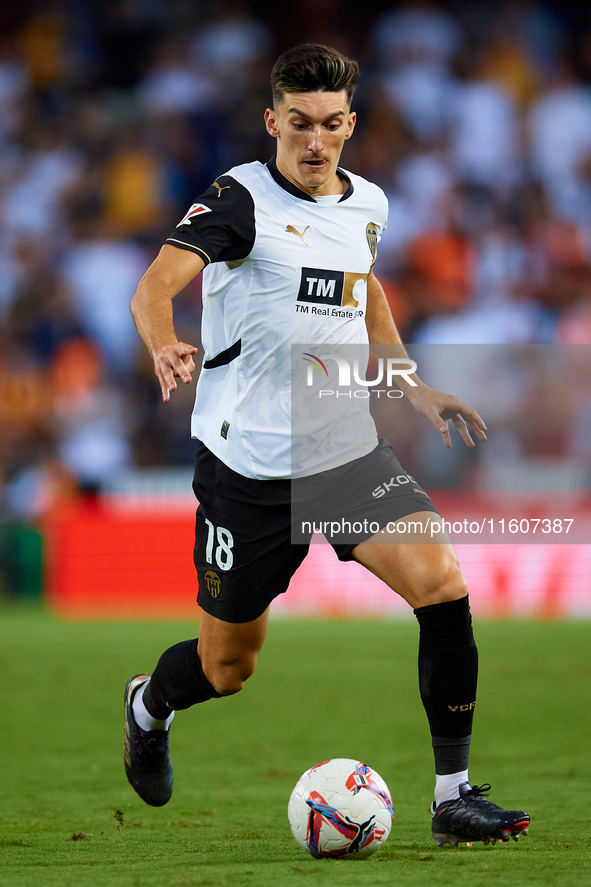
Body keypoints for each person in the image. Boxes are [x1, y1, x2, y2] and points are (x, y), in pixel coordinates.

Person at [124, 44, 530, 848]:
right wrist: (164, 342)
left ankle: (451, 794)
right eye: (299, 125)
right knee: (224, 668)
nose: (315, 142)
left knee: (443, 585)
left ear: (351, 124)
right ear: (273, 122)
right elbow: (154, 286)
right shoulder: (237, 199)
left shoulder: (368, 203)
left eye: (331, 125)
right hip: (248, 472)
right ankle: (147, 704)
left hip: (344, 453)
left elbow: (364, 286)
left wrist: (409, 383)